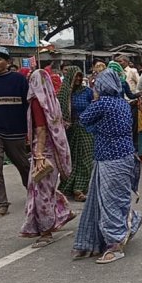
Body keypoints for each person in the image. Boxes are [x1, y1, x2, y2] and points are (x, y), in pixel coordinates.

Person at [71, 69, 142, 263]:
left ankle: (115, 244)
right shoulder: (123, 104)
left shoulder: (102, 104)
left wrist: (96, 127)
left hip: (110, 159)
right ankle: (125, 225)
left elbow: (84, 118)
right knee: (108, 199)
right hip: (124, 157)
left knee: (110, 202)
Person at [20, 69, 76, 247]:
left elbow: (41, 129)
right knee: (47, 189)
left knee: (41, 193)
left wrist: (38, 154)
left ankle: (46, 232)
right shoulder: (52, 100)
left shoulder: (38, 102)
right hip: (54, 151)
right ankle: (63, 212)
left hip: (44, 152)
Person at [0, 47, 31, 218]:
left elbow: (27, 105)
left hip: (16, 131)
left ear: (8, 62)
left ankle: (35, 193)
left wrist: (26, 129)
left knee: (24, 166)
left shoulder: (19, 80)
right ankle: (2, 203)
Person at [57, 65, 95, 202]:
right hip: (69, 131)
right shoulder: (63, 93)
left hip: (86, 129)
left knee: (86, 159)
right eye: (76, 76)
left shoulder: (87, 92)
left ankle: (79, 189)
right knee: (70, 160)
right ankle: (67, 187)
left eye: (80, 76)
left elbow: (94, 107)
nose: (78, 79)